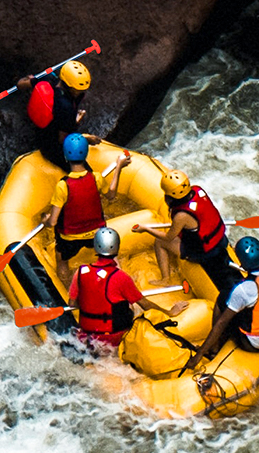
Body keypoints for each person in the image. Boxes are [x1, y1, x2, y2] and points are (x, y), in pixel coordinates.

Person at [182, 237, 259, 373]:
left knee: (223, 298)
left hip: (251, 343)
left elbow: (221, 323)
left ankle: (214, 348)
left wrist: (199, 354)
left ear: (242, 265)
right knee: (242, 301)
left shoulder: (244, 289)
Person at [69, 227, 188, 349]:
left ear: (96, 246)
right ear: (117, 247)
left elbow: (72, 304)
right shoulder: (121, 277)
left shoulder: (80, 272)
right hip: (115, 337)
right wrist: (169, 312)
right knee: (132, 306)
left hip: (87, 333)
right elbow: (145, 305)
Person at [131, 169, 243, 298]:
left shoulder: (181, 216)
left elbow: (168, 237)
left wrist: (146, 229)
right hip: (220, 241)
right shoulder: (198, 190)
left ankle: (165, 279)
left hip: (202, 253)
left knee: (160, 242)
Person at [43, 133, 129, 285]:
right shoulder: (96, 178)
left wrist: (45, 221)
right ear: (86, 155)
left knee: (62, 261)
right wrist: (118, 168)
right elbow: (111, 195)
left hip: (70, 238)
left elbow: (53, 222)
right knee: (112, 258)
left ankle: (66, 291)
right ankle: (121, 284)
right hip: (97, 233)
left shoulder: (62, 186)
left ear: (65, 158)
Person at [18, 60, 97, 171]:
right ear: (70, 87)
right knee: (86, 172)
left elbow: (20, 84)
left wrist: (31, 79)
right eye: (78, 90)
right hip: (50, 146)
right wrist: (86, 138)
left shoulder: (48, 79)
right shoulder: (66, 108)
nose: (81, 92)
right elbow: (64, 140)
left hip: (42, 128)